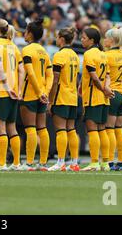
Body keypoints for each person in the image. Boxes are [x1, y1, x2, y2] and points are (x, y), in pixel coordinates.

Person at [0, 19, 24, 171]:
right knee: (12, 128)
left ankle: (2, 163)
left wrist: (6, 85)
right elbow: (22, 70)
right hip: (15, 91)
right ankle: (16, 163)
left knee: (0, 128)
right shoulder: (14, 47)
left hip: (2, 90)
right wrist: (19, 89)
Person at [19, 19, 53, 171]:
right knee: (42, 128)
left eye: (25, 32)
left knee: (30, 128)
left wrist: (39, 92)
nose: (24, 34)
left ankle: (30, 163)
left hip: (30, 94)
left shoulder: (27, 50)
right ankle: (44, 162)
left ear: (30, 34)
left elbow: (30, 72)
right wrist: (45, 92)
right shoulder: (44, 51)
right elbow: (49, 74)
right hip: (42, 95)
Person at [79, 28, 114, 172]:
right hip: (104, 99)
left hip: (93, 97)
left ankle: (94, 163)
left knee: (92, 130)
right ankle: (105, 163)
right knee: (102, 130)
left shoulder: (89, 54)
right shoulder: (103, 54)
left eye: (84, 37)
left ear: (92, 40)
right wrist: (106, 89)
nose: (82, 40)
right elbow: (107, 76)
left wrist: (103, 89)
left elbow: (94, 76)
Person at [47, 27, 80, 172]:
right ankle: (74, 162)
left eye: (57, 36)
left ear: (61, 39)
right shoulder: (75, 55)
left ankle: (60, 162)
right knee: (71, 129)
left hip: (61, 96)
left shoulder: (59, 55)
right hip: (73, 97)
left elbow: (55, 80)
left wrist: (51, 100)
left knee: (60, 130)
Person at [103, 28, 122, 171]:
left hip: (111, 93)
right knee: (119, 130)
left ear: (111, 40)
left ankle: (110, 161)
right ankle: (121, 161)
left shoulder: (107, 55)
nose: (104, 40)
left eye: (106, 38)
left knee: (109, 129)